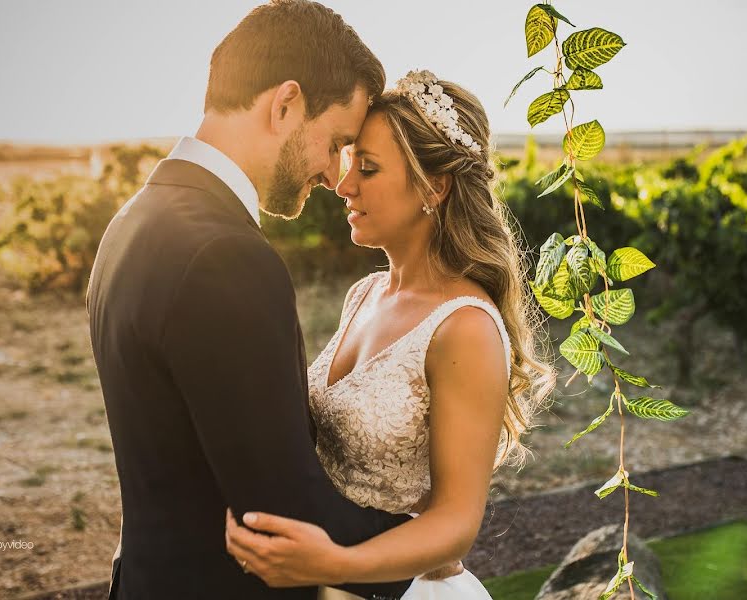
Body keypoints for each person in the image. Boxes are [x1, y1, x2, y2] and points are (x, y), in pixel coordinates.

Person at [85, 2, 428, 598]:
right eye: (335, 142)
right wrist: (421, 552)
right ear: (285, 104)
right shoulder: (227, 257)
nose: (331, 174)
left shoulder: (131, 222)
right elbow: (282, 510)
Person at [224, 70, 557, 599]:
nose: (344, 183)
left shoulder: (464, 326)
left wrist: (337, 562)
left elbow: (455, 525)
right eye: (350, 161)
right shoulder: (365, 294)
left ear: (435, 186)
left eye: (369, 168)